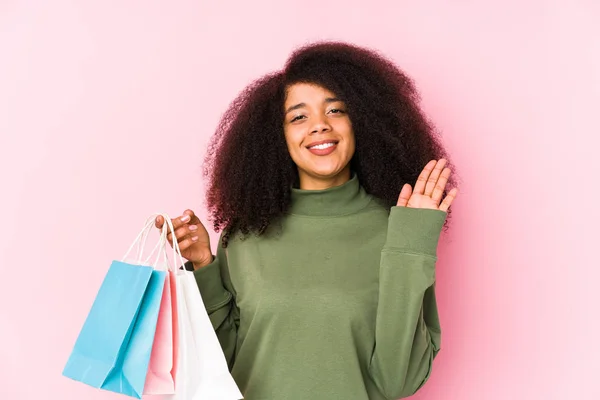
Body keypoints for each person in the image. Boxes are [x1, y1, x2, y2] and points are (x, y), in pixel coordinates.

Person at [155, 41, 459, 400]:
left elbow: (398, 381)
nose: (319, 126)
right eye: (299, 116)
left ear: (361, 121)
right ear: (276, 136)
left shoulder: (398, 231)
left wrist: (413, 242)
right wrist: (205, 266)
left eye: (336, 110)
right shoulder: (247, 232)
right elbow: (220, 366)